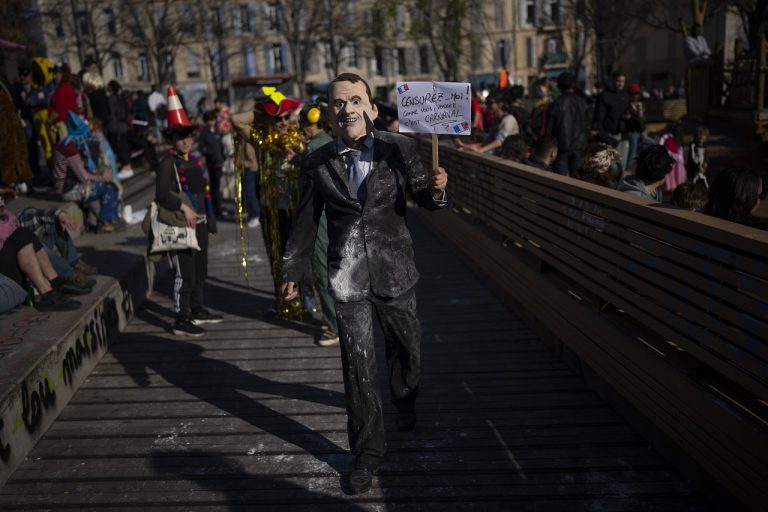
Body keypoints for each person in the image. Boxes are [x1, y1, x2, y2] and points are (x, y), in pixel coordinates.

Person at [281, 73, 448, 495]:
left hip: (396, 269)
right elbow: (305, 224)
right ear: (329, 115)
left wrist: (439, 189)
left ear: (372, 109)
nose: (348, 108)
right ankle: (367, 453)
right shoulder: (315, 163)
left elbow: (426, 200)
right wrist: (291, 272)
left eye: (356, 100)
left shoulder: (401, 148)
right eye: (339, 103)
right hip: (348, 275)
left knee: (406, 346)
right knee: (357, 366)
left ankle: (405, 396)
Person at [155, 86, 222, 337]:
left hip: (200, 221)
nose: (185, 140)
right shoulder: (167, 163)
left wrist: (211, 222)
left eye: (188, 135)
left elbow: (205, 192)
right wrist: (184, 207)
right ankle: (180, 318)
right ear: (171, 138)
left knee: (200, 271)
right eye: (179, 136)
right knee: (186, 273)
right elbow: (161, 194)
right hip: (181, 223)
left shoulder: (194, 159)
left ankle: (196, 309)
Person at [231, 86, 302, 317]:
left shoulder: (301, 138)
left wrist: (290, 111)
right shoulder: (264, 139)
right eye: (277, 118)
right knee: (276, 256)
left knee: (299, 256)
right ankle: (281, 300)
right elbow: (236, 120)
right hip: (272, 211)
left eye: (285, 117)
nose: (281, 122)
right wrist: (264, 114)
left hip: (297, 210)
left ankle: (304, 300)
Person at [297, 101, 338, 347]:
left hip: (319, 218)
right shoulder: (331, 143)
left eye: (303, 122)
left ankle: (333, 326)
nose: (300, 127)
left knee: (322, 271)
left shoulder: (313, 148)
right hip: (335, 217)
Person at [0, 189, 83, 311]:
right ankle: (49, 292)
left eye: (2, 199)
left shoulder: (8, 217)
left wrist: (58, 214)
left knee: (45, 226)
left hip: (18, 273)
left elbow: (31, 218)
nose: (1, 204)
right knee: (22, 235)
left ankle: (57, 283)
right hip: (5, 284)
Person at [51, 113, 120, 233]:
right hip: (67, 188)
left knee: (103, 187)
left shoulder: (64, 143)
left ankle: (103, 219)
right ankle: (105, 222)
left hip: (64, 184)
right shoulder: (69, 149)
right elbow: (84, 177)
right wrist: (103, 178)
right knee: (110, 188)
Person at [546, 72, 590, 176]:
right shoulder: (582, 102)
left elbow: (549, 129)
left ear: (559, 86)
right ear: (573, 85)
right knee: (578, 181)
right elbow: (587, 125)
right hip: (579, 145)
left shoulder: (556, 104)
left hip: (561, 147)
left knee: (560, 181)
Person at [593, 71, 631, 168]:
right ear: (613, 81)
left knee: (621, 165)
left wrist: (629, 117)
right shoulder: (604, 96)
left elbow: (629, 111)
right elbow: (599, 116)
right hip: (608, 136)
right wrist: (602, 134)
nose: (620, 84)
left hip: (623, 135)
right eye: (618, 81)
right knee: (607, 166)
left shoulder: (626, 96)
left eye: (623, 81)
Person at [198, 110, 226, 218]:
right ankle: (217, 209)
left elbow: (220, 145)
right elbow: (201, 148)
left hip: (220, 162)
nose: (212, 122)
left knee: (218, 185)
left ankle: (218, 207)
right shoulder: (204, 133)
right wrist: (210, 154)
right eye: (210, 120)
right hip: (211, 163)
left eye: (213, 119)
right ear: (206, 121)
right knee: (214, 187)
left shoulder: (217, 130)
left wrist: (222, 156)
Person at [106, 80, 134, 180]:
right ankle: (127, 166)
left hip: (115, 126)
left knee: (119, 147)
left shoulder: (111, 99)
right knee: (124, 146)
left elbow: (112, 113)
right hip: (123, 126)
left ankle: (126, 168)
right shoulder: (122, 98)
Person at [626, 84, 655, 172]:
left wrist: (644, 130)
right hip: (633, 131)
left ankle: (644, 165)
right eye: (634, 93)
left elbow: (643, 120)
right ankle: (628, 170)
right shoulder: (628, 105)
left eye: (637, 93)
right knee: (633, 151)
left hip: (641, 131)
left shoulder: (640, 104)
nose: (635, 95)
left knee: (652, 143)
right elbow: (634, 121)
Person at [659, 122, 686, 194]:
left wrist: (680, 161)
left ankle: (675, 189)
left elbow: (680, 150)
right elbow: (661, 146)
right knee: (670, 174)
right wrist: (668, 154)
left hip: (676, 161)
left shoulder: (677, 139)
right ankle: (671, 188)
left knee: (676, 174)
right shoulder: (666, 137)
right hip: (669, 159)